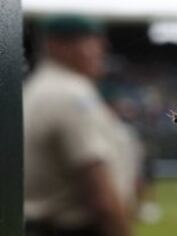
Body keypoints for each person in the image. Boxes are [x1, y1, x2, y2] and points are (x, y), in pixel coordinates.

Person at [24, 15, 134, 236]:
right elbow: (100, 193)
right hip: (73, 228)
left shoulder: (36, 87)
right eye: (90, 40)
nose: (101, 49)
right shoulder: (72, 93)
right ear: (56, 45)